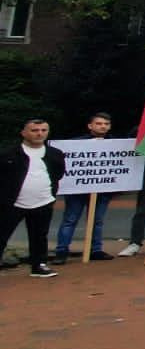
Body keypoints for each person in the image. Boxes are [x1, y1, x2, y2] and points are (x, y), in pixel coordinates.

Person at [1, 119, 65, 277]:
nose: (39, 133)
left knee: (39, 236)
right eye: (35, 130)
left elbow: (58, 174)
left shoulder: (55, 154)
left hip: (43, 201)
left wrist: (50, 194)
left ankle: (39, 265)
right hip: (12, 204)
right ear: (23, 133)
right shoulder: (8, 154)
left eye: (43, 130)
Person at [53, 112, 117, 263]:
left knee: (97, 221)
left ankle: (95, 250)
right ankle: (61, 251)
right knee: (70, 219)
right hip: (77, 189)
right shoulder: (76, 143)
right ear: (90, 126)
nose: (103, 127)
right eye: (99, 123)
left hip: (102, 189)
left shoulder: (116, 143)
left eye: (106, 124)